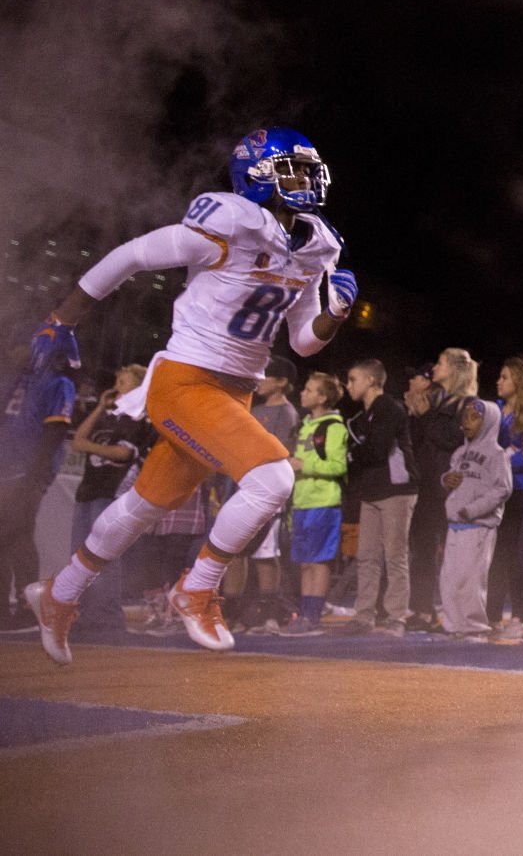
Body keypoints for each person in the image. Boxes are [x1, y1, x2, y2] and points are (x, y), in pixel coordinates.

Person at [26, 127, 355, 663]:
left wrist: (334, 317)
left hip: (235, 392)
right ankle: (198, 588)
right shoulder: (229, 223)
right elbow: (132, 255)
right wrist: (62, 317)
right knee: (274, 477)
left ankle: (58, 594)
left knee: (143, 507)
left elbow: (301, 342)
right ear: (256, 178)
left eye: (309, 169)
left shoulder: (317, 244)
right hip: (185, 381)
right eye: (292, 169)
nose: (307, 181)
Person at [63, 364, 152, 636]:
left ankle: (107, 616)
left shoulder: (136, 417)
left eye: (123, 381)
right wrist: (100, 408)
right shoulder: (107, 416)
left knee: (104, 554)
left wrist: (92, 447)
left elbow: (122, 454)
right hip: (88, 490)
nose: (117, 385)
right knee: (80, 553)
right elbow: (77, 439)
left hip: (111, 491)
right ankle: (86, 613)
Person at [0, 323, 79, 625]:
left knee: (17, 534)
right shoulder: (20, 379)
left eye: (22, 346)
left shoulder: (59, 383)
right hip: (7, 466)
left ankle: (26, 606)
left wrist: (35, 475)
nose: (14, 351)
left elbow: (55, 430)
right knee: (6, 535)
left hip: (28, 471)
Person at [344, 359, 417, 636]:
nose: (348, 385)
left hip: (397, 489)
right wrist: (355, 455)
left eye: (353, 379)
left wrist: (354, 453)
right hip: (371, 490)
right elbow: (358, 456)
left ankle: (396, 618)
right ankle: (364, 616)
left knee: (395, 555)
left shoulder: (389, 408)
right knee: (366, 556)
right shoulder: (360, 418)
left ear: (371, 381)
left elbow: (374, 450)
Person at [229, 354, 300, 633]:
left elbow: (280, 453)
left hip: (268, 492)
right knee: (234, 552)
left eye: (266, 375)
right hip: (243, 487)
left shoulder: (287, 413)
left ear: (281, 382)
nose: (259, 380)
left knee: (265, 554)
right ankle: (233, 614)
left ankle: (271, 614)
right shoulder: (254, 410)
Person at [405, 349, 473, 632]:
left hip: (451, 486)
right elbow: (417, 439)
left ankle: (457, 613)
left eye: (442, 362)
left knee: (455, 552)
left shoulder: (467, 404)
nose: (435, 366)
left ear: (455, 369)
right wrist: (416, 415)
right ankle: (423, 610)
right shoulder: (433, 400)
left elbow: (454, 439)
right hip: (426, 484)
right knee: (421, 549)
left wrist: (427, 416)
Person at [278, 372, 349, 636]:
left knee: (318, 562)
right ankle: (305, 616)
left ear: (322, 397)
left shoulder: (333, 427)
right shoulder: (304, 426)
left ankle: (312, 617)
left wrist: (302, 465)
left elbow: (338, 465)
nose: (303, 393)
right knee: (305, 562)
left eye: (309, 390)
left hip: (324, 502)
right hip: (302, 502)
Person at [440, 399, 513, 639]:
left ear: (490, 421)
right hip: (455, 525)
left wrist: (473, 509)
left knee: (471, 580)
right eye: (465, 417)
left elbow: (502, 489)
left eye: (474, 417)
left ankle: (473, 626)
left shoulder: (497, 453)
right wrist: (445, 480)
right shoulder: (459, 453)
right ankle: (453, 625)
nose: (467, 422)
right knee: (449, 579)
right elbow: (454, 481)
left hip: (479, 525)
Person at [489, 356, 523, 637]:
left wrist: (504, 459)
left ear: (520, 381)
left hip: (522, 492)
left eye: (505, 377)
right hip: (496, 493)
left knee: (519, 556)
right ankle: (491, 616)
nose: (499, 381)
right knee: (495, 555)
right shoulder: (494, 410)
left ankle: (519, 617)